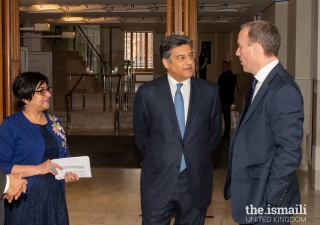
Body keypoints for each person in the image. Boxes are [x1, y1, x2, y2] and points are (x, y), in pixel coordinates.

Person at [133, 34, 221, 225]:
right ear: (166, 62)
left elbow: (214, 133)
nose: (189, 62)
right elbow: (141, 136)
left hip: (195, 181)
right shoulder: (147, 93)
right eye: (181, 58)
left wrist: (196, 156)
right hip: (158, 180)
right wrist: (162, 158)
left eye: (190, 56)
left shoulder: (209, 91)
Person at [224, 20, 304, 225]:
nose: (236, 53)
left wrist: (271, 201)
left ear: (256, 48)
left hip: (267, 204)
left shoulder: (283, 89)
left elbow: (288, 151)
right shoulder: (261, 82)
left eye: (240, 47)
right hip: (253, 196)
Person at [0, 72, 80, 225]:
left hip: (54, 197)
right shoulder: (11, 125)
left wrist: (68, 173)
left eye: (47, 89)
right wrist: (38, 169)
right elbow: (2, 166)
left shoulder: (54, 122)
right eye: (41, 91)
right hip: (24, 199)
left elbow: (64, 158)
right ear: (25, 97)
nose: (48, 94)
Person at [217, 61, 237, 138]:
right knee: (223, 115)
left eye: (225, 66)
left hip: (227, 98)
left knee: (226, 115)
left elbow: (230, 87)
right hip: (222, 98)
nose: (224, 68)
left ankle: (226, 132)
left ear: (228, 67)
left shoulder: (232, 76)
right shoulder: (221, 76)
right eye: (223, 66)